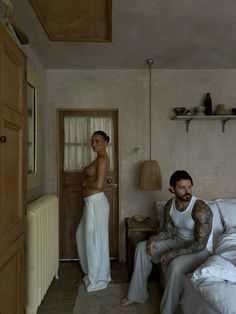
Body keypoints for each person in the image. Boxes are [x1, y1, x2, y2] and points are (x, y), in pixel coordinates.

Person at [121, 170, 213, 314]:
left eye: (189, 187)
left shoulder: (201, 209)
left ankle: (167, 311)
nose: (187, 191)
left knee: (175, 266)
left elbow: (200, 244)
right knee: (141, 247)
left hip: (200, 250)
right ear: (172, 189)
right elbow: (168, 232)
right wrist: (153, 239)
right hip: (177, 241)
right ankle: (137, 295)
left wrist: (173, 254)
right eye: (182, 188)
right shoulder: (170, 205)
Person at [76, 130, 111, 292]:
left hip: (96, 203)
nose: (93, 144)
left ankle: (98, 277)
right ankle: (93, 271)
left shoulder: (103, 159)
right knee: (82, 235)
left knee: (95, 240)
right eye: (92, 141)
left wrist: (84, 185)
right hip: (91, 203)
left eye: (97, 141)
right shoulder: (98, 158)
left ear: (105, 142)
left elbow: (98, 185)